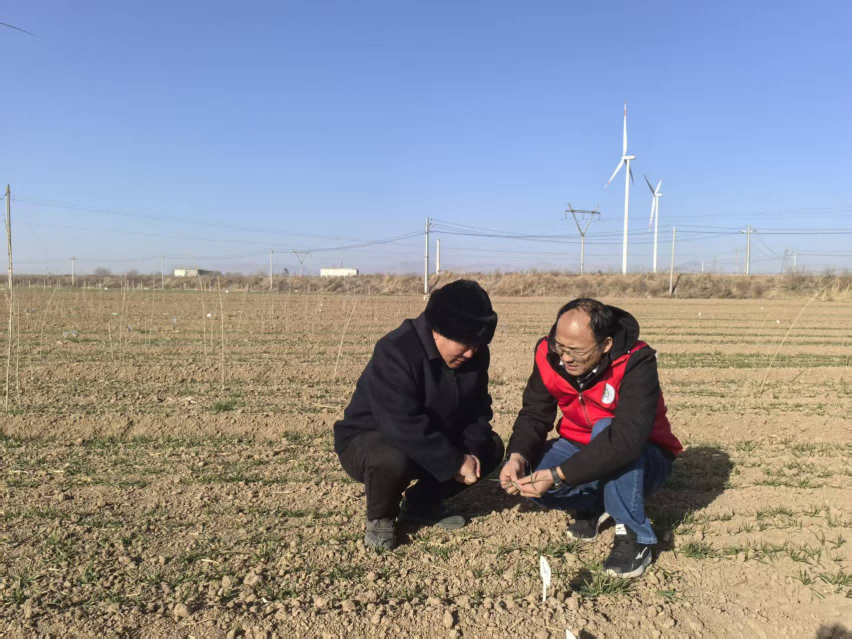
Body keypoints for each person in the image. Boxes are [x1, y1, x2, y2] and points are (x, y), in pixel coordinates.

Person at [499, 298, 682, 578]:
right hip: (578, 445)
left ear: (606, 344)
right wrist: (516, 457)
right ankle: (597, 505)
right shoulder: (547, 355)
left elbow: (627, 440)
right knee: (531, 473)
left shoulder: (636, 360)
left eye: (576, 351)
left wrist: (559, 474)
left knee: (606, 430)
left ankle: (635, 535)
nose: (565, 358)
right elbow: (535, 413)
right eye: (560, 347)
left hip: (644, 457)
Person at [334, 280, 503, 551]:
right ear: (437, 330)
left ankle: (421, 504)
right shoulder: (396, 349)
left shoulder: (474, 355)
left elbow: (478, 410)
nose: (471, 352)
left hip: (432, 436)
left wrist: (470, 453)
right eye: (464, 342)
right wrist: (454, 461)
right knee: (391, 458)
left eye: (477, 343)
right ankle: (381, 516)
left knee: (490, 446)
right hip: (370, 439)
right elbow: (399, 424)